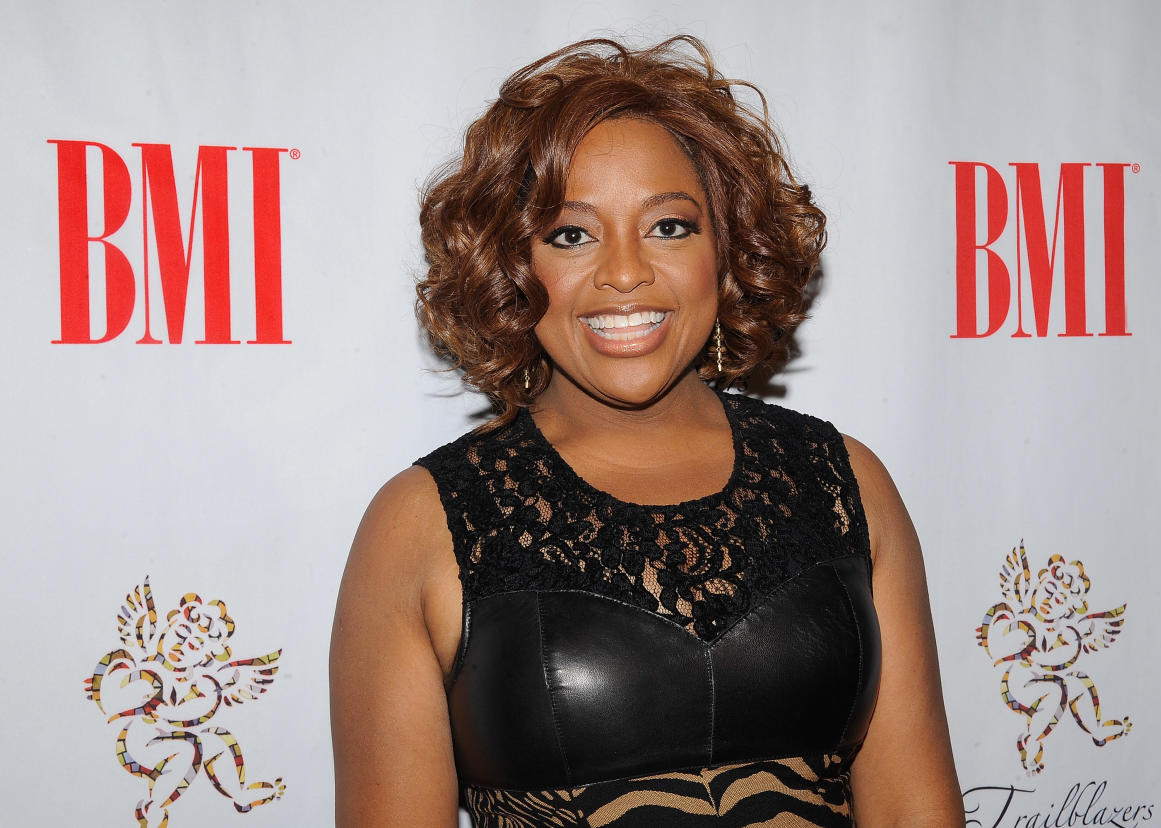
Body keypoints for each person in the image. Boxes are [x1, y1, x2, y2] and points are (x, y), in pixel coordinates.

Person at [330, 36, 963, 828]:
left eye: (669, 227)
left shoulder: (843, 482)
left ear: (726, 251)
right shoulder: (421, 523)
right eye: (571, 234)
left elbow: (915, 811)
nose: (625, 273)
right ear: (511, 266)